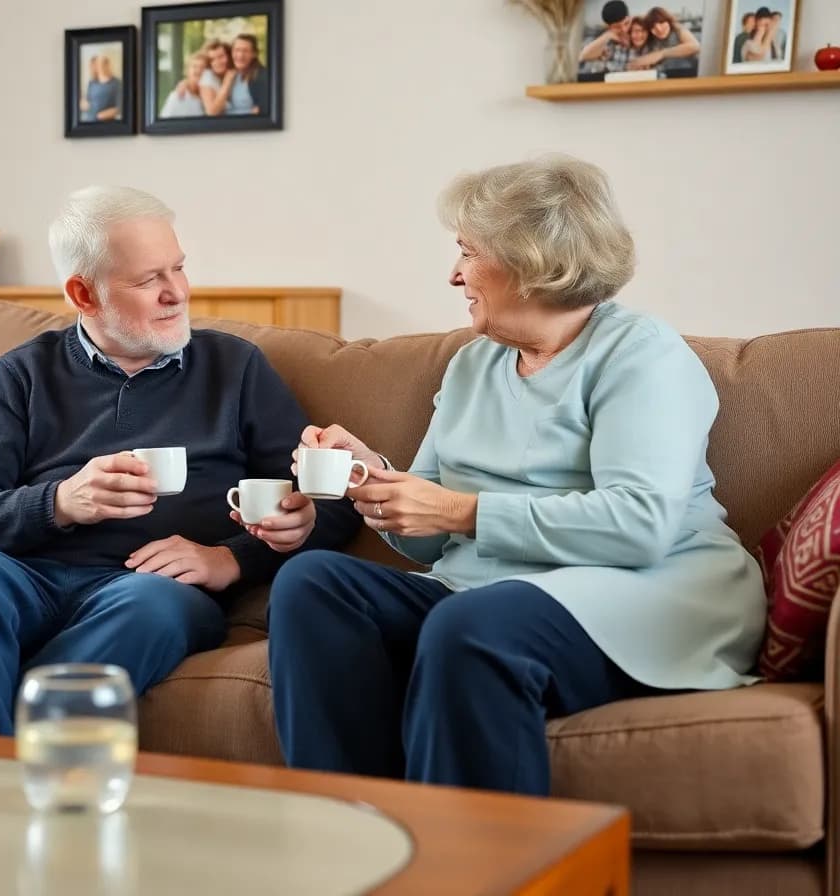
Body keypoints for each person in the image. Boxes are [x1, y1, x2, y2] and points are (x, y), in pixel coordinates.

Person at [267, 155, 767, 796]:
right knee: (313, 583)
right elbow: (426, 542)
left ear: (533, 262)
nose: (453, 275)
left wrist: (458, 512)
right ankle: (355, 829)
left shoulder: (641, 355)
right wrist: (378, 481)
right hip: (485, 593)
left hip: (642, 592)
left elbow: (640, 525)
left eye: (468, 253)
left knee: (470, 627)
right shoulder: (472, 365)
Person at [0, 185, 360, 735]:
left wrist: (229, 557)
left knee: (153, 606)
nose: (177, 293)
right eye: (148, 280)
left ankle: (6, 765)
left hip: (154, 591)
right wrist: (61, 502)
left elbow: (331, 503)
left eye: (178, 269)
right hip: (28, 581)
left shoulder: (233, 368)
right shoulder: (22, 375)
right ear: (83, 293)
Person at [628, 7, 700, 77]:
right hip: (667, 78)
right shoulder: (653, 42)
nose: (659, 29)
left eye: (661, 22)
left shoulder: (677, 30)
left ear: (668, 21)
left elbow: (695, 46)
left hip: (691, 75)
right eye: (653, 27)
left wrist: (662, 54)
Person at [578, 1, 632, 73]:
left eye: (626, 23)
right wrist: (607, 36)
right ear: (608, 26)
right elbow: (581, 55)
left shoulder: (638, 30)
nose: (624, 30)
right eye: (617, 27)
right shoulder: (598, 36)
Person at [227, 33, 269, 116]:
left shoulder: (262, 77)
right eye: (237, 50)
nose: (240, 55)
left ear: (254, 54)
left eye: (245, 51)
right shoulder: (231, 74)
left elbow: (264, 110)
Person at [161, 51, 209, 118]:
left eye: (202, 67)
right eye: (194, 66)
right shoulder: (177, 97)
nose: (198, 70)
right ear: (187, 71)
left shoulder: (209, 96)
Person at [197, 40, 234, 116]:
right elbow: (212, 112)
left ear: (228, 56)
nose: (217, 62)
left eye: (221, 56)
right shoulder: (207, 77)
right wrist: (227, 82)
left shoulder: (233, 70)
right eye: (212, 59)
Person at [84, 54, 122, 122]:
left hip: (106, 123)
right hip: (89, 121)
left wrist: (100, 116)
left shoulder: (117, 83)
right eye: (98, 64)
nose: (101, 67)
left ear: (108, 65)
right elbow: (87, 102)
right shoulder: (92, 83)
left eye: (103, 64)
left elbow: (119, 107)